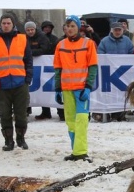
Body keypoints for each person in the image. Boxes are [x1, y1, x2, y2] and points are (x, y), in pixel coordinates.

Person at [0, 13, 33, 151]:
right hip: (2, 84)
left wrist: (28, 78)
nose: (6, 26)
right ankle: (8, 141)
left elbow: (28, 60)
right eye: (3, 23)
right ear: (0, 25)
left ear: (13, 25)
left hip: (20, 82)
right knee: (4, 114)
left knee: (21, 113)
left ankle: (21, 139)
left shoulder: (22, 39)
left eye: (8, 23)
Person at [54, 15, 98, 161]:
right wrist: (57, 89)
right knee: (71, 121)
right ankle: (75, 150)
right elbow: (58, 69)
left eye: (73, 26)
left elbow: (92, 67)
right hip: (66, 88)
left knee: (82, 120)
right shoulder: (61, 45)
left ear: (78, 27)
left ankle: (81, 152)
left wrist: (88, 87)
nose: (70, 29)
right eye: (68, 26)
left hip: (81, 89)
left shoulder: (88, 43)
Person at [37, 20, 62, 121]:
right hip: (42, 66)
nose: (47, 29)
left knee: (55, 89)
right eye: (45, 27)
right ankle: (45, 112)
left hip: (52, 67)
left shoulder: (55, 39)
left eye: (49, 27)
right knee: (43, 91)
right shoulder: (39, 38)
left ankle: (59, 111)